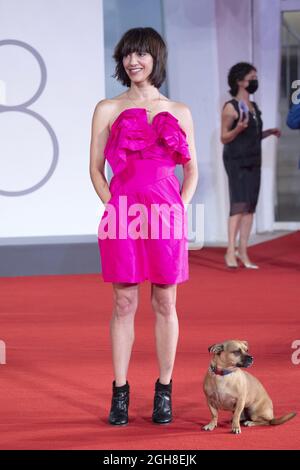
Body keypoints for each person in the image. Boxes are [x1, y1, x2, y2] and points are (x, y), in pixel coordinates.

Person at [89, 27, 198, 426]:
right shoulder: (107, 108)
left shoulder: (180, 110)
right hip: (123, 218)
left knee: (166, 302)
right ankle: (120, 392)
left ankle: (164, 391)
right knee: (123, 303)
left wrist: (177, 211)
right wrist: (114, 207)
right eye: (126, 55)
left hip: (166, 219)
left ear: (156, 58)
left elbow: (192, 170)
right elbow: (95, 171)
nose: (133, 61)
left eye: (141, 54)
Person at [221, 62, 281, 269]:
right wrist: (237, 129)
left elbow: (252, 136)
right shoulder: (231, 107)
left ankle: (243, 251)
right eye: (251, 77)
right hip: (236, 161)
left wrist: (269, 132)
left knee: (250, 207)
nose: (255, 81)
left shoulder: (254, 107)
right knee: (238, 204)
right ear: (239, 81)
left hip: (254, 161)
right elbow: (224, 137)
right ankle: (230, 250)